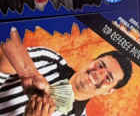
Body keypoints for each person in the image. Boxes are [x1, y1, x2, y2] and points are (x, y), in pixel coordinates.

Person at [0, 26, 132, 116]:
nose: (98, 73)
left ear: (109, 91)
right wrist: (30, 74)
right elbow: (5, 45)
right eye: (100, 65)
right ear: (91, 61)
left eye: (108, 78)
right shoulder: (50, 59)